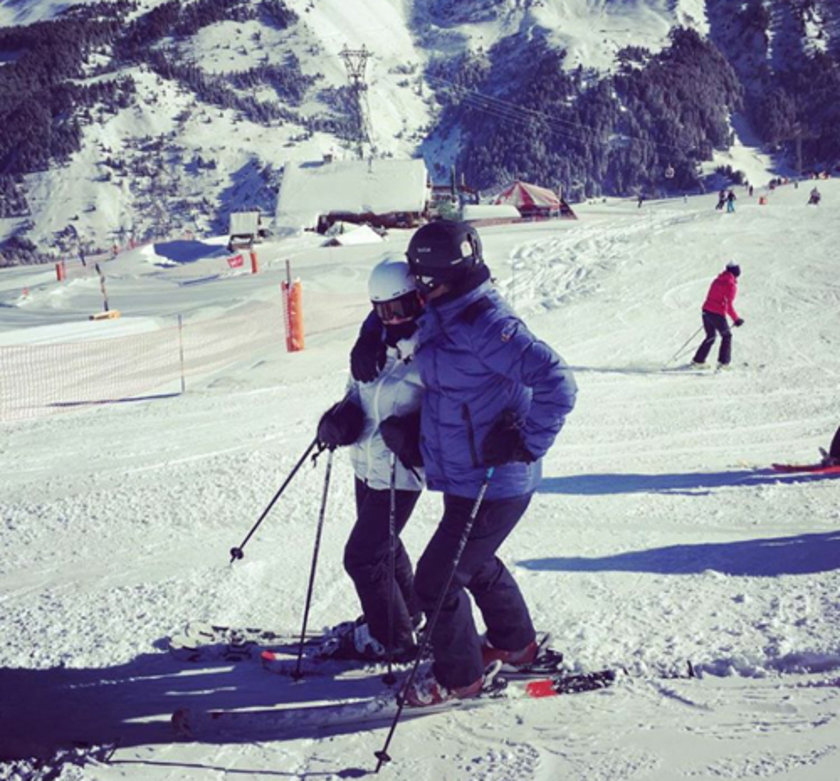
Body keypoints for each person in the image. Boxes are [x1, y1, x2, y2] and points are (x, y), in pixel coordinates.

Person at [358, 220, 577, 706]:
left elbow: (558, 382)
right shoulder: (444, 309)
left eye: (423, 279)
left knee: (436, 580)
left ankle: (459, 679)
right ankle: (515, 646)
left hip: (497, 480)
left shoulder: (487, 325)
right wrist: (369, 335)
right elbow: (392, 313)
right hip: (466, 476)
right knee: (472, 564)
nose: (418, 287)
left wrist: (525, 441)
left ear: (445, 278)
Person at [315, 256, 426, 662]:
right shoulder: (375, 344)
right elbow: (357, 394)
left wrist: (418, 436)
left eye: (401, 308)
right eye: (383, 311)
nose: (393, 319)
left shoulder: (434, 352)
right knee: (384, 547)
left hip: (400, 472)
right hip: (366, 466)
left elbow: (453, 410)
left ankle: (392, 639)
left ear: (420, 300)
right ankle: (407, 615)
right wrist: (340, 419)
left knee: (363, 558)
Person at [691, 261, 744, 369]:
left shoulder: (717, 280)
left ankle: (698, 360)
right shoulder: (731, 285)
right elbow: (728, 305)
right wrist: (736, 319)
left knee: (711, 336)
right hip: (717, 313)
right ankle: (723, 363)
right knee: (727, 336)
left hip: (706, 311)